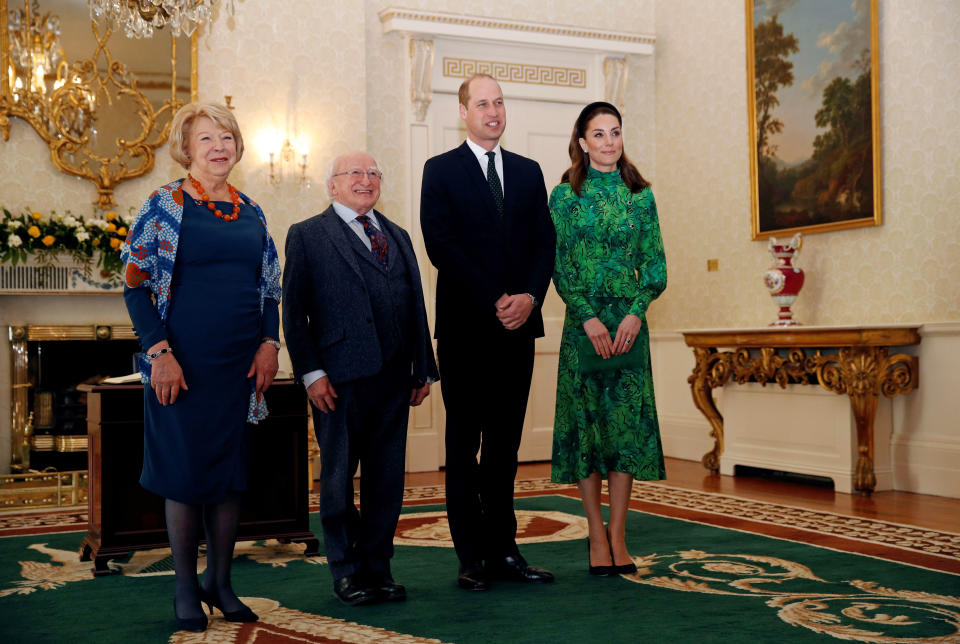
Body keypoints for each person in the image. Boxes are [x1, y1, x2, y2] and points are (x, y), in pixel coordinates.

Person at [121, 102, 282, 632]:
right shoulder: (163, 205)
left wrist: (269, 343)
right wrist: (159, 353)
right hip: (182, 364)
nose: (219, 147)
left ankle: (221, 580)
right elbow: (135, 284)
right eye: (207, 139)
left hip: (240, 363)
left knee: (230, 474)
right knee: (186, 474)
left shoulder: (252, 210)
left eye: (227, 137)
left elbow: (270, 289)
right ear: (186, 149)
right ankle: (186, 587)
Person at [282, 151, 439, 606]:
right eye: (355, 173)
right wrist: (311, 373)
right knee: (337, 479)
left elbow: (415, 306)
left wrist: (422, 367)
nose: (366, 180)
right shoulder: (308, 236)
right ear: (332, 185)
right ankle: (346, 571)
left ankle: (378, 568)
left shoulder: (397, 234)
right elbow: (293, 313)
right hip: (337, 381)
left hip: (394, 380)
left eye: (373, 173)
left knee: (386, 481)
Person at [420, 73, 557, 591]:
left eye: (499, 102)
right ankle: (470, 557)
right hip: (465, 331)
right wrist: (495, 298)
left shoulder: (528, 171)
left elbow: (545, 243)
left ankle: (505, 550)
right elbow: (441, 245)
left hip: (518, 331)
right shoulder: (441, 171)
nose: (493, 111)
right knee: (463, 447)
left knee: (505, 448)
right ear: (463, 111)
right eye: (482, 103)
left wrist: (529, 298)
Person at [549, 101, 667, 576]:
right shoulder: (563, 197)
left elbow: (655, 267)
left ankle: (619, 534)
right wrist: (587, 318)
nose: (609, 142)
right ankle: (595, 534)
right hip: (584, 328)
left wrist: (636, 313)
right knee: (586, 432)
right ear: (582, 142)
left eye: (615, 132)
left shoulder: (641, 196)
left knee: (623, 434)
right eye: (598, 134)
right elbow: (557, 264)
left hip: (628, 329)